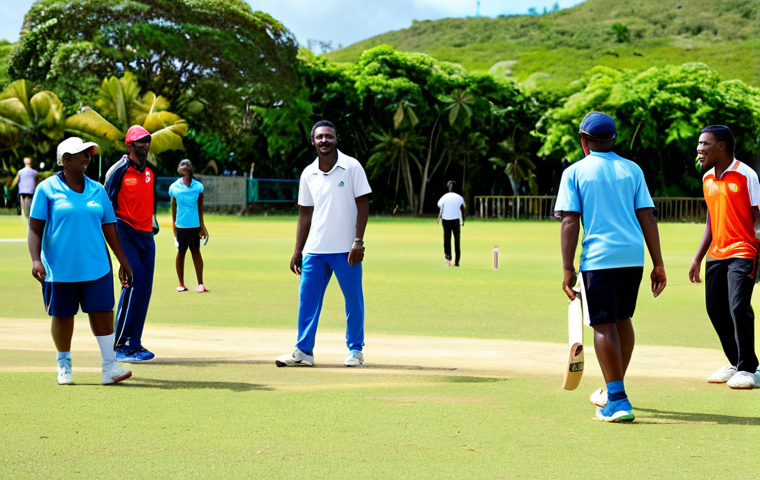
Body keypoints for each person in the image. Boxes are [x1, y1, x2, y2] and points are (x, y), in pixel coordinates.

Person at [555, 112, 666, 422]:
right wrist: (658, 263)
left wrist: (567, 267)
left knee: (603, 324)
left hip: (600, 259)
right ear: (614, 139)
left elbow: (569, 220)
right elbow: (647, 216)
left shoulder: (575, 172)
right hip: (633, 257)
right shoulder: (632, 169)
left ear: (583, 140)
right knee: (622, 320)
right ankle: (612, 387)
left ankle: (616, 400)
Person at [27, 137, 133, 385]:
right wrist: (35, 260)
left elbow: (109, 228)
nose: (87, 157)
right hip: (60, 268)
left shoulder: (98, 189)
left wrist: (123, 261)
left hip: (97, 266)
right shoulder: (47, 189)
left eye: (88, 153)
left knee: (103, 313)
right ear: (65, 160)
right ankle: (64, 365)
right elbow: (35, 229)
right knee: (63, 316)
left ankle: (110, 367)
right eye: (81, 154)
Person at [276, 120, 372, 368]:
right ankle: (304, 351)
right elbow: (305, 214)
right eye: (319, 137)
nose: (324, 141)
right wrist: (298, 250)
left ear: (336, 140)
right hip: (315, 250)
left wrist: (358, 241)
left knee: (353, 300)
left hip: (346, 249)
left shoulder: (351, 167)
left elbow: (363, 204)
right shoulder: (308, 173)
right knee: (307, 300)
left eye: (329, 136)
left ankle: (356, 350)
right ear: (312, 141)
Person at [688, 125, 760, 389]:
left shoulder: (745, 175)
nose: (699, 149)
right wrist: (697, 257)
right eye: (699, 144)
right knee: (715, 309)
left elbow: (758, 215)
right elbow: (711, 219)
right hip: (716, 254)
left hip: (744, 250)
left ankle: (749, 368)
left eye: (705, 144)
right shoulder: (707, 178)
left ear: (722, 146)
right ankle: (736, 362)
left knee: (738, 307)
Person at [104, 125, 157, 363]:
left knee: (144, 288)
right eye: (140, 142)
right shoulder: (118, 171)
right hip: (124, 232)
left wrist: (152, 225)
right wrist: (113, 252)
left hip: (147, 237)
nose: (145, 145)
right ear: (129, 145)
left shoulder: (150, 172)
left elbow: (148, 202)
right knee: (134, 283)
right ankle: (120, 345)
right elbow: (105, 207)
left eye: (147, 141)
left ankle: (135, 343)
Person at [169, 159, 209, 293]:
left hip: (195, 225)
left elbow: (200, 207)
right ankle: (181, 284)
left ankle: (200, 284)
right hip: (181, 225)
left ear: (191, 170)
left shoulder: (198, 187)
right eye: (182, 167)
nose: (184, 169)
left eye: (187, 167)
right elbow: (173, 206)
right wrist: (173, 224)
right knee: (181, 252)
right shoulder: (174, 187)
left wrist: (202, 225)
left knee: (196, 251)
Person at [437, 180, 466, 267]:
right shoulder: (459, 197)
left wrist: (438, 218)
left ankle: (449, 258)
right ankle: (456, 261)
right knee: (456, 240)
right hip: (455, 220)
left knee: (447, 239)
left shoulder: (444, 197)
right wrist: (463, 220)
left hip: (446, 220)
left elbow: (440, 207)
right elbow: (463, 209)